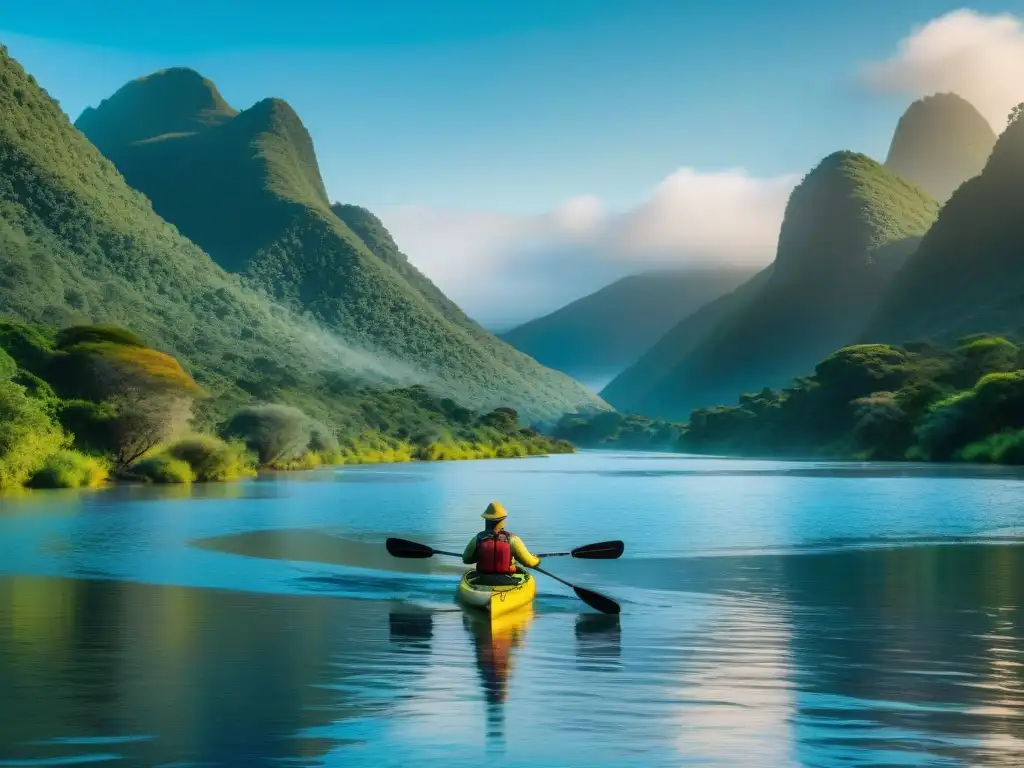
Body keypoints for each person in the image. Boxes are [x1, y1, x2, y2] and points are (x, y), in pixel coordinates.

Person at [462, 502, 540, 580]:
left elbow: (466, 560)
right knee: (520, 568)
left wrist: (480, 555)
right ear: (503, 519)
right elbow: (530, 563)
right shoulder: (512, 539)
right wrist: (537, 559)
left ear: (486, 520)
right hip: (507, 579)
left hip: (482, 579)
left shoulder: (477, 538)